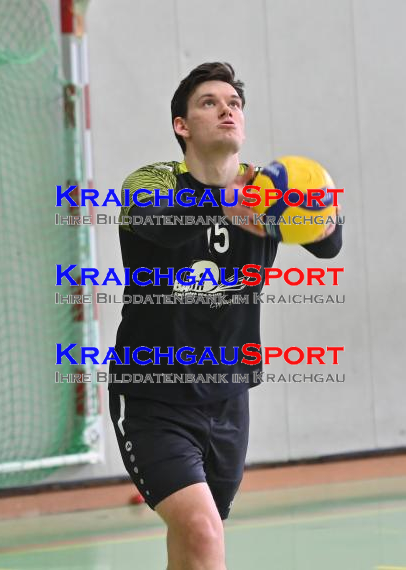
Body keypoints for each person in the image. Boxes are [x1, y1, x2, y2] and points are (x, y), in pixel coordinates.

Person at [109, 62, 342, 570]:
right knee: (202, 529)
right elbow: (161, 227)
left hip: (228, 397)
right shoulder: (150, 182)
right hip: (153, 395)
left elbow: (331, 245)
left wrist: (313, 207)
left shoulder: (266, 190)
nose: (227, 110)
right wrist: (224, 203)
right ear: (182, 126)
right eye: (210, 103)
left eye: (234, 103)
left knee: (195, 545)